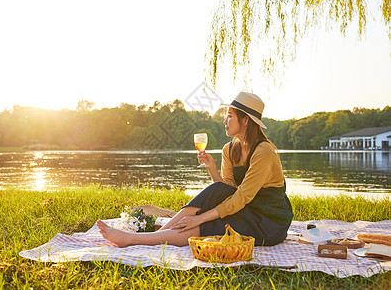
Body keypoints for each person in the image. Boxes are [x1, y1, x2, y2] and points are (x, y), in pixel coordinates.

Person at [97, 92, 293, 247]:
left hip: (267, 220)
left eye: (230, 116)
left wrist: (198, 219)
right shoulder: (230, 149)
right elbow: (226, 190)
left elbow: (242, 197)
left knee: (208, 226)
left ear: (246, 121)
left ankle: (132, 240)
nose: (225, 121)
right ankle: (156, 235)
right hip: (245, 209)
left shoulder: (264, 151)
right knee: (215, 197)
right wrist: (212, 169)